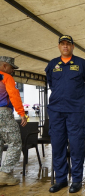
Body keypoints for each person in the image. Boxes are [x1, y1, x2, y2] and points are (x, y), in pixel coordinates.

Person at [45, 35, 85, 193]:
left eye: (68, 44)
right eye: (62, 44)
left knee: (76, 145)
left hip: (75, 111)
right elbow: (51, 83)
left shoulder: (81, 63)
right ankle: (61, 180)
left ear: (73, 46)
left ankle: (77, 180)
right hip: (56, 111)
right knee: (58, 145)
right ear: (59, 46)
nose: (65, 46)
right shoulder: (53, 64)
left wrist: (78, 98)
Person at [0, 56, 27, 186]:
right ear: (5, 66)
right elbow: (14, 95)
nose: (12, 71)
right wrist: (22, 113)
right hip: (3, 112)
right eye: (11, 68)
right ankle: (5, 174)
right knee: (15, 142)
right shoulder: (5, 77)